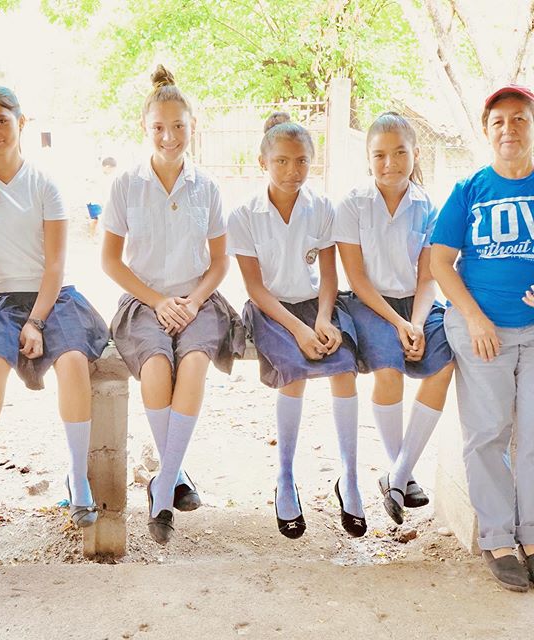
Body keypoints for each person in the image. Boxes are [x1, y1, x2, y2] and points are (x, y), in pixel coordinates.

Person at [0, 86, 109, 529]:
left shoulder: (45, 183)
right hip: (0, 299)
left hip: (52, 296)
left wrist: (37, 321)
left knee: (74, 362)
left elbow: (56, 263)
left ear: (21, 122)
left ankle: (78, 479)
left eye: (1, 121)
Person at [102, 65, 245, 545]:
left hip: (200, 297)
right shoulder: (126, 184)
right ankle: (176, 475)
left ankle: (162, 493)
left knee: (196, 362)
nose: (169, 136)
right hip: (143, 301)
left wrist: (193, 300)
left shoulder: (207, 186)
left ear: (193, 127)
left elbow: (221, 260)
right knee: (158, 367)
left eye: (178, 126)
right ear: (145, 128)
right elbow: (110, 261)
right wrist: (159, 301)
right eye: (159, 127)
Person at [228, 113, 363, 539]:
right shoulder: (245, 214)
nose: (293, 171)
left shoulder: (321, 207)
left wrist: (323, 319)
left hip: (317, 305)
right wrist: (299, 331)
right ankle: (285, 478)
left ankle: (351, 477)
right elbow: (255, 288)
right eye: (282, 161)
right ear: (263, 161)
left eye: (302, 161)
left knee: (344, 368)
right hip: (272, 310)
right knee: (295, 372)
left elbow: (329, 276)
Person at [431, 85, 534, 592]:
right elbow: (438, 262)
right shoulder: (470, 189)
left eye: (519, 119)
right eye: (499, 121)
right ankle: (497, 537)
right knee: (488, 432)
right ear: (486, 129)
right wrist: (472, 317)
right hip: (484, 332)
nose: (509, 129)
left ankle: (532, 538)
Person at [334, 112, 454, 526]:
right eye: (380, 155)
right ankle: (400, 471)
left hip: (416, 305)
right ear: (368, 159)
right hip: (368, 304)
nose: (390, 163)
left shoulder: (427, 206)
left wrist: (418, 322)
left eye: (400, 152)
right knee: (390, 367)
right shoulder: (352, 203)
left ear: (415, 153)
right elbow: (356, 277)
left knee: (445, 362)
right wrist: (397, 324)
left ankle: (398, 476)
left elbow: (427, 277)